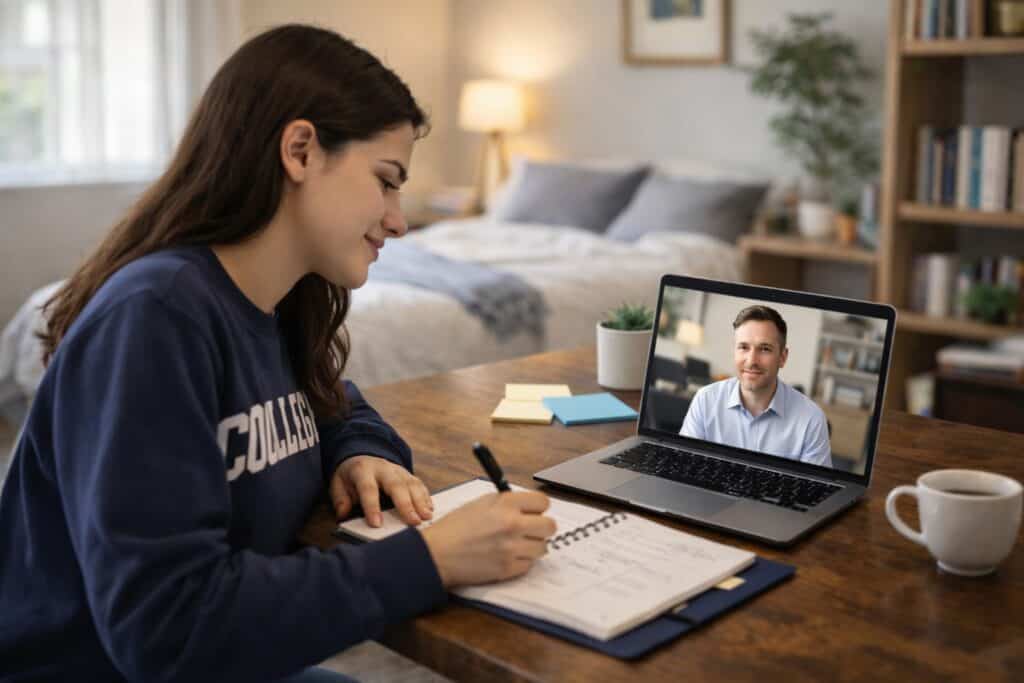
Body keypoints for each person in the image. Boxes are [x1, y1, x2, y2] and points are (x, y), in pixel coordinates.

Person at [0, 25, 556, 683]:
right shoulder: (155, 317)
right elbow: (166, 628)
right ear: (299, 150)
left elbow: (333, 403)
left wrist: (362, 451)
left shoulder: (278, 304)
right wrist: (430, 557)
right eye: (386, 181)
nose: (400, 219)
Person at [679, 305, 832, 468]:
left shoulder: (812, 419)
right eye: (743, 347)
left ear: (782, 357)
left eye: (765, 349)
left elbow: (816, 491)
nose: (752, 361)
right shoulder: (705, 400)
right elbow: (684, 465)